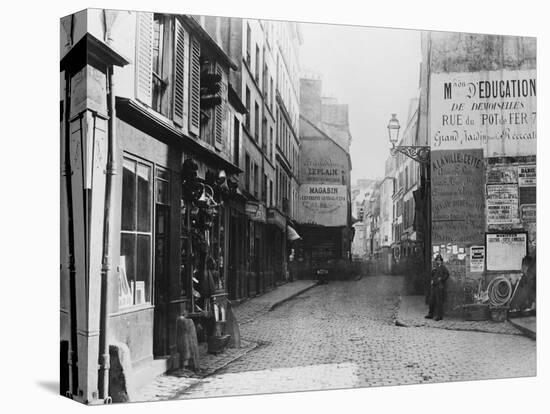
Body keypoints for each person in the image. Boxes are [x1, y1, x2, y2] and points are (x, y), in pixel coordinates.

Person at [425, 254, 449, 321]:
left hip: (439, 286)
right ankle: (430, 314)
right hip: (434, 286)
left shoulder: (443, 267)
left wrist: (441, 279)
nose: (438, 261)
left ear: (441, 261)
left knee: (439, 302)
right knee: (431, 301)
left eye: (439, 260)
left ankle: (439, 316)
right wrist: (432, 279)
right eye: (437, 260)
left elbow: (447, 274)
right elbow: (432, 275)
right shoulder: (435, 267)